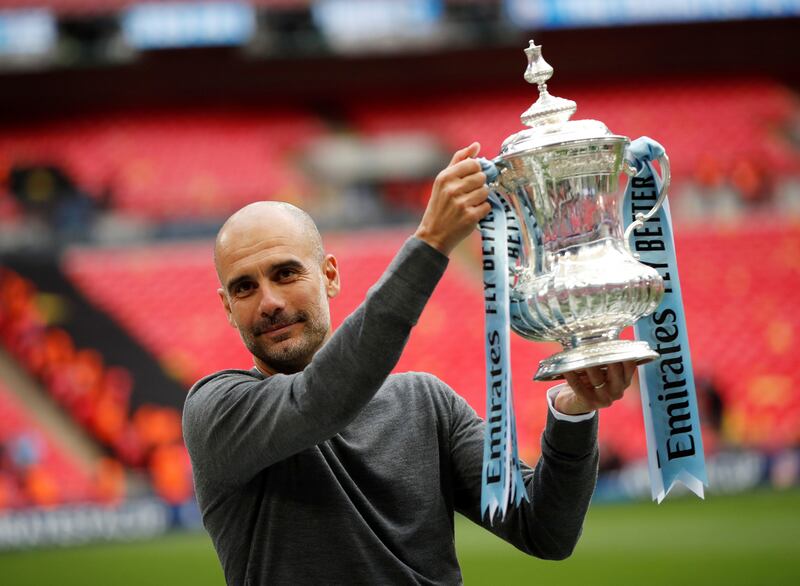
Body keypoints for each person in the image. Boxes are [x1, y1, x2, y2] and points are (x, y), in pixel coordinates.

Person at [182, 143, 636, 585]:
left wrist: (574, 410)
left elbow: (544, 529)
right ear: (226, 307)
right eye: (244, 288)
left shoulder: (425, 403)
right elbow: (320, 401)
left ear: (330, 276)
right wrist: (431, 243)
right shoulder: (216, 410)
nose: (270, 302)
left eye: (285, 273)